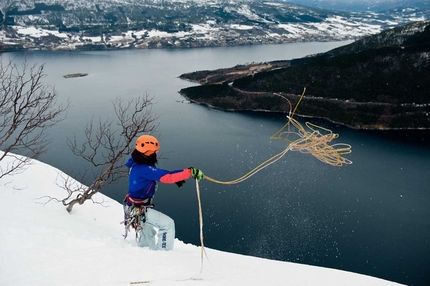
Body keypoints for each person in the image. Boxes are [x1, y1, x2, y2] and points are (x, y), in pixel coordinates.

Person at [124, 134, 204, 250]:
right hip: (139, 208)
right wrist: (190, 172)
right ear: (147, 152)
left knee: (147, 236)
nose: (156, 153)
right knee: (167, 225)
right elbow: (167, 176)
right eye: (154, 151)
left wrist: (179, 176)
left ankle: (145, 254)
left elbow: (160, 174)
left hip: (135, 207)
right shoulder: (144, 169)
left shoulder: (137, 163)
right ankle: (164, 254)